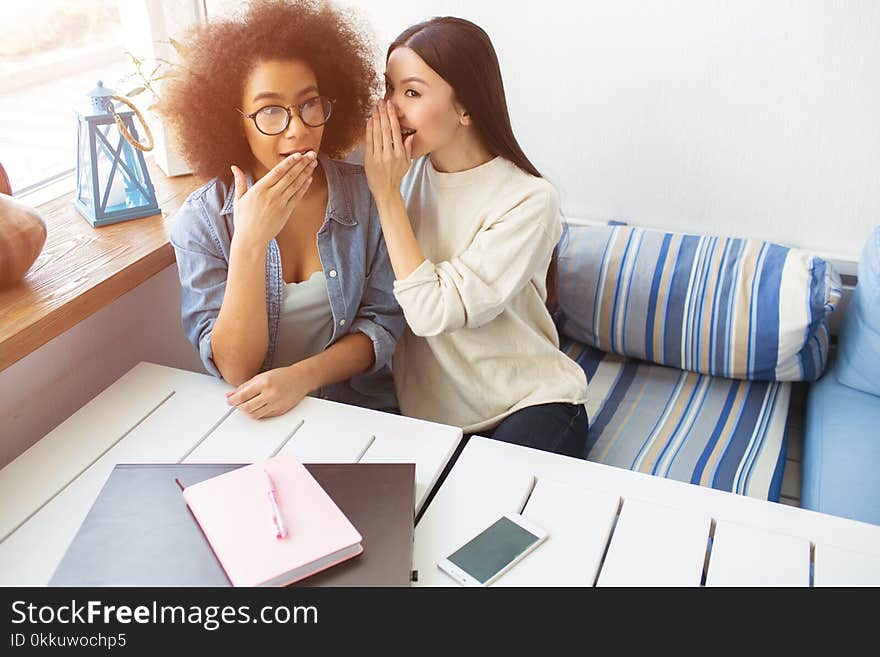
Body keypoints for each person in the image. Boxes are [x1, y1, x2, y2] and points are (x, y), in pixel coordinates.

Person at [160, 0, 403, 418]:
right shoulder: (203, 220)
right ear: (233, 119)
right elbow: (236, 369)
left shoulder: (366, 195)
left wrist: (302, 377)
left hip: (359, 414)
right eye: (271, 111)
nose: (299, 128)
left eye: (310, 103)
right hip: (254, 422)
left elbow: (381, 326)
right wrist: (250, 242)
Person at [364, 16, 589, 456]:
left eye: (411, 92)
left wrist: (386, 194)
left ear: (466, 107)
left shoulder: (529, 199)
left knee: (498, 522)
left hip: (528, 405)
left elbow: (432, 313)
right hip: (431, 420)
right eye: (389, 89)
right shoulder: (400, 173)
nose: (392, 108)